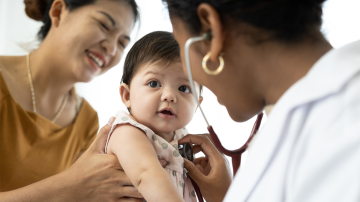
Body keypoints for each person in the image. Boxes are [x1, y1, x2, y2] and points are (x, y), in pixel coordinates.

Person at [161, 0, 360, 201]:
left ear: (210, 30)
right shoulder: (307, 118)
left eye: (181, 47)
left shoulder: (345, 135)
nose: (187, 70)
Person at [0, 0, 150, 201]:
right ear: (59, 11)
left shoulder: (87, 120)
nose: (112, 48)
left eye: (122, 43)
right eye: (104, 25)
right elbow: (76, 188)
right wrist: (69, 187)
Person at [105, 31, 201, 202]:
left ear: (198, 104)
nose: (169, 96)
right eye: (154, 84)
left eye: (184, 88)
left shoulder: (182, 137)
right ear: (127, 95)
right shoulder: (127, 131)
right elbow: (146, 174)